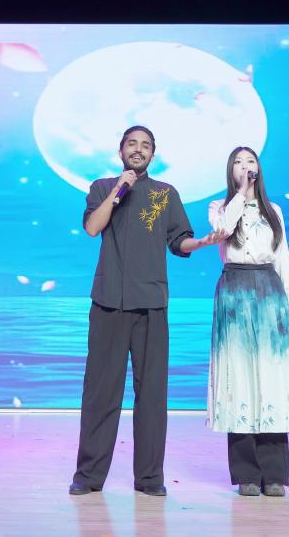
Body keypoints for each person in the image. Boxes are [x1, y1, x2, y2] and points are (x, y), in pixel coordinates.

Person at [69, 125, 224, 497]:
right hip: (108, 302)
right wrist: (118, 191)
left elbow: (178, 240)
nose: (138, 150)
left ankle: (150, 477)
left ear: (153, 154)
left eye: (145, 146)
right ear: (120, 150)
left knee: (152, 394)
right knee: (100, 392)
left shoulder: (165, 193)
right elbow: (92, 228)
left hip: (151, 304)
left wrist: (202, 242)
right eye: (132, 144)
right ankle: (89, 475)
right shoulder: (102, 187)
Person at [207, 146, 289, 497]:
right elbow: (223, 230)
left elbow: (283, 259)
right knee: (239, 380)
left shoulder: (274, 210)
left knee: (271, 379)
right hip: (234, 292)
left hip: (269, 292)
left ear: (259, 168)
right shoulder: (219, 207)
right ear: (230, 170)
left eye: (250, 161)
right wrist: (240, 194)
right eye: (237, 162)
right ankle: (246, 474)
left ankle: (275, 474)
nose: (245, 166)